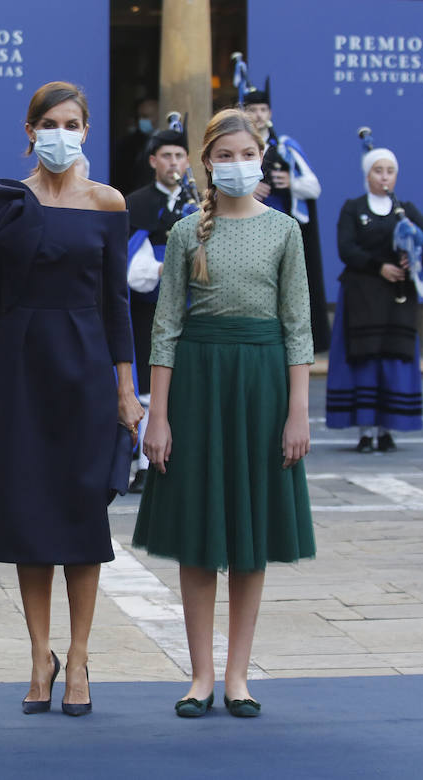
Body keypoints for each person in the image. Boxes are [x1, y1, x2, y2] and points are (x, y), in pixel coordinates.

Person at [0, 81, 142, 717]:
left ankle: (81, 655)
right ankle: (40, 655)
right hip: (21, 369)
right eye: (50, 122)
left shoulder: (108, 202)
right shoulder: (7, 203)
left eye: (73, 123)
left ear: (86, 131)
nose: (61, 133)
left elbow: (117, 303)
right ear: (30, 130)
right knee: (28, 520)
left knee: (80, 521)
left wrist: (127, 390)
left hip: (88, 372)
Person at [133, 107, 314, 720]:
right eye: (226, 156)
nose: (238, 165)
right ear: (207, 163)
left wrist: (298, 413)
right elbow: (166, 327)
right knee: (198, 532)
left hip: (262, 386)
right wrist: (156, 417)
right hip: (199, 384)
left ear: (261, 159)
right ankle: (201, 674)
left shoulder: (285, 229)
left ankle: (238, 673)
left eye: (248, 155)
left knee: (250, 535)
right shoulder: (187, 232)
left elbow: (298, 328)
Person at [326, 136, 423, 453]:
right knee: (365, 361)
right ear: (367, 174)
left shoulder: (406, 211)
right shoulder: (353, 209)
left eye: (390, 171)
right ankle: (365, 431)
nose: (384, 176)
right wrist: (379, 266)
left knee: (393, 359)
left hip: (396, 300)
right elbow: (346, 249)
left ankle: (387, 429)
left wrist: (414, 255)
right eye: (378, 170)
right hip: (363, 298)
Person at [126, 113, 199, 491]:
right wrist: (166, 267)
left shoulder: (200, 202)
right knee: (148, 387)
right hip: (149, 310)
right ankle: (143, 463)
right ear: (153, 161)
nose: (174, 163)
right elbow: (130, 266)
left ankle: (184, 462)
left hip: (192, 311)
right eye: (166, 156)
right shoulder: (136, 203)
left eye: (179, 156)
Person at [235, 60, 330, 353]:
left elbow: (314, 187)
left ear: (270, 113)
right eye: (252, 110)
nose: (258, 115)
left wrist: (290, 182)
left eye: (263, 110)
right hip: (243, 229)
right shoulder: (234, 146)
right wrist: (248, 189)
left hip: (280, 230)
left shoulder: (286, 147)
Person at [111, 96, 159, 196]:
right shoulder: (139, 140)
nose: (141, 120)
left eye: (146, 116)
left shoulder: (162, 143)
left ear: (158, 116)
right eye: (140, 116)